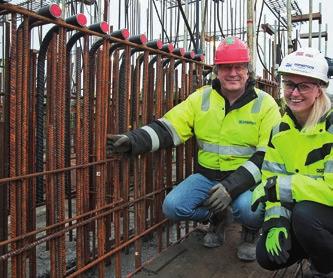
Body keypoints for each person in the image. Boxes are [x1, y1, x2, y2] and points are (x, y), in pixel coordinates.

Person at [107, 36, 280, 261]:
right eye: (226, 67)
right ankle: (218, 218)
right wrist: (133, 140)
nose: (233, 73)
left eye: (239, 67)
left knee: (250, 208)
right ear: (217, 70)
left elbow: (267, 155)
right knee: (173, 207)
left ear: (248, 70)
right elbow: (169, 128)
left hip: (246, 181)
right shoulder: (201, 98)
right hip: (207, 177)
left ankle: (250, 232)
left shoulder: (265, 104)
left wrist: (230, 187)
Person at [251, 47, 333, 276]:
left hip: (318, 216)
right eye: (289, 84)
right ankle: (318, 250)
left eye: (304, 86)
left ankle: (325, 268)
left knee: (305, 215)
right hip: (309, 218)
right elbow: (271, 180)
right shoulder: (279, 131)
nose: (294, 93)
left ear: (319, 89)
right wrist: (276, 221)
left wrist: (282, 186)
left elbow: (278, 186)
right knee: (266, 257)